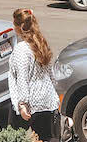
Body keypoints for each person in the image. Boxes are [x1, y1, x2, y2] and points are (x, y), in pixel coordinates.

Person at [8, 8, 60, 142]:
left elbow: (22, 79)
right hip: (46, 99)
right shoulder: (41, 44)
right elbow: (51, 74)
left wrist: (23, 104)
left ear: (18, 27)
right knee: (45, 137)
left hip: (31, 103)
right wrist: (54, 95)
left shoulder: (21, 50)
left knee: (18, 137)